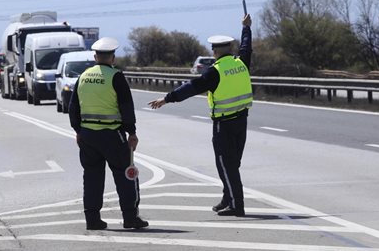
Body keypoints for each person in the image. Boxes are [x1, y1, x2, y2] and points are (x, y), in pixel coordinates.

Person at [148, 14, 253, 217]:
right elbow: (247, 47)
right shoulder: (241, 63)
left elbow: (191, 88)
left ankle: (236, 204)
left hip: (224, 123)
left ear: (215, 51)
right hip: (242, 121)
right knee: (232, 163)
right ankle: (228, 197)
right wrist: (246, 28)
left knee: (226, 164)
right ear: (231, 49)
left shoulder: (216, 71)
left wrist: (167, 98)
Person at [68, 37, 149, 230]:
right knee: (126, 175)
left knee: (92, 178)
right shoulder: (116, 77)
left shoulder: (83, 76)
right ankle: (130, 218)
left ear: (95, 57)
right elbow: (126, 107)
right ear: (112, 57)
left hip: (88, 135)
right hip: (112, 134)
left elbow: (73, 108)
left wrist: (78, 130)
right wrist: (132, 132)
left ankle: (92, 220)